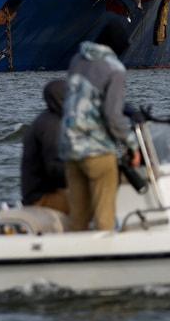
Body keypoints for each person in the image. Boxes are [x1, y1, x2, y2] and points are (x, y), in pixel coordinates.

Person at [60, 21, 140, 231]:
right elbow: (113, 115)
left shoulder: (76, 60)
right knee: (105, 218)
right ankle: (107, 261)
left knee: (77, 219)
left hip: (69, 149)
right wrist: (133, 145)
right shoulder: (115, 69)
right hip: (97, 150)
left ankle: (75, 259)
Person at [20, 79, 70, 213]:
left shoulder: (49, 120)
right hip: (42, 198)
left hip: (42, 192)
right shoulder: (52, 126)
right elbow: (54, 168)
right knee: (90, 200)